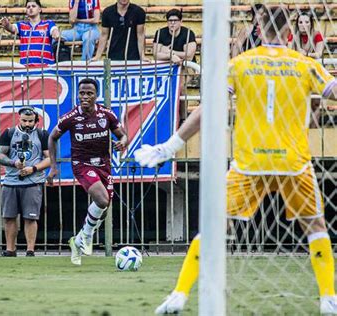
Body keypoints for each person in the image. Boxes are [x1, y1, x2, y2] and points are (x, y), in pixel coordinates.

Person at [134, 6, 337, 315]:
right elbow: (333, 91)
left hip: (249, 163)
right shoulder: (305, 64)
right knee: (316, 227)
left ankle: (180, 293)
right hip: (294, 164)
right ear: (289, 32)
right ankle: (328, 299)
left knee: (214, 227)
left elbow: (207, 109)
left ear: (258, 27)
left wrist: (169, 146)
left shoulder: (240, 63)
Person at [47, 78, 128, 265]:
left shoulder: (106, 115)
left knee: (104, 210)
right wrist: (53, 166)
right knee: (101, 199)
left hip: (103, 165)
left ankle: (77, 241)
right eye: (82, 93)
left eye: (89, 93)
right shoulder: (71, 117)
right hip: (82, 164)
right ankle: (88, 235)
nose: (85, 97)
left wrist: (122, 142)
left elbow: (122, 135)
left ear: (96, 96)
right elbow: (52, 138)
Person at [0, 105, 50, 257]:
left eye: (30, 121)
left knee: (30, 217)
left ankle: (30, 250)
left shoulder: (42, 135)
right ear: (19, 119)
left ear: (36, 121)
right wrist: (14, 163)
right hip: (11, 181)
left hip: (33, 181)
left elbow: (50, 158)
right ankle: (10, 249)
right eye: (24, 120)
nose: (27, 124)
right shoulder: (9, 133)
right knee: (9, 217)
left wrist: (33, 168)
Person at [0, 0, 60, 67]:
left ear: (40, 9)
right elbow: (12, 28)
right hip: (26, 69)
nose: (30, 8)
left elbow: (54, 30)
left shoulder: (48, 24)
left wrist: (56, 34)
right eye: (28, 7)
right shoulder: (21, 25)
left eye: (33, 6)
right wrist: (7, 24)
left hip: (46, 69)